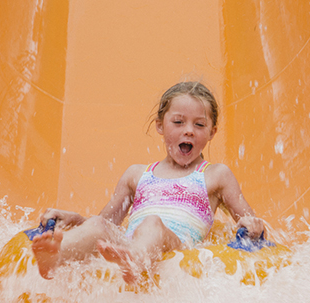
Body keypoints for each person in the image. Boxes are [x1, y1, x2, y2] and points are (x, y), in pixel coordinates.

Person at [31, 81, 265, 283]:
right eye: (178, 122)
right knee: (97, 226)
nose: (189, 131)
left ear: (212, 132)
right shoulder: (136, 174)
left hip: (178, 247)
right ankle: (55, 257)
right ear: (160, 126)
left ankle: (134, 260)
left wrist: (254, 226)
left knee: (152, 223)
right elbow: (106, 224)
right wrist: (76, 220)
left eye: (199, 125)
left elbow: (249, 224)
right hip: (130, 243)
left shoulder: (216, 175)